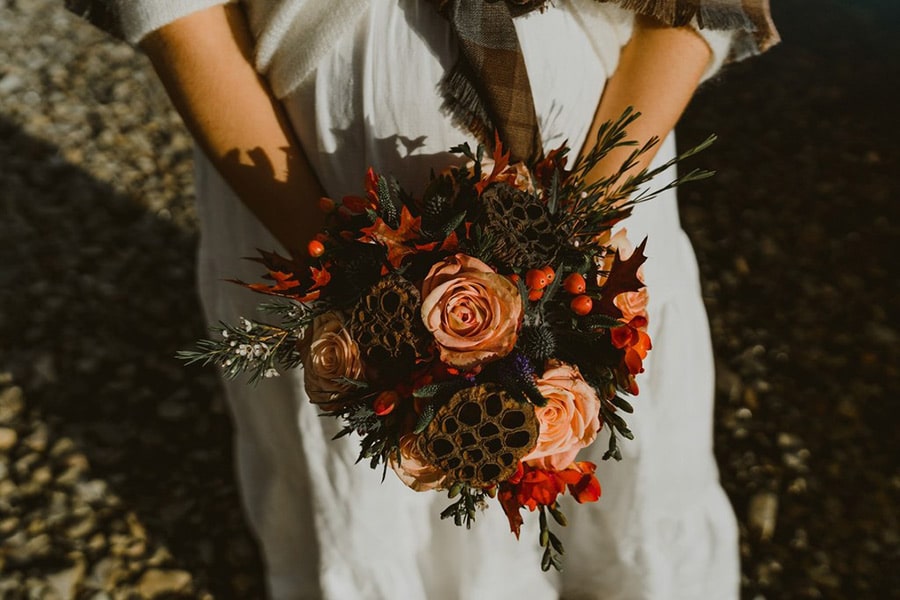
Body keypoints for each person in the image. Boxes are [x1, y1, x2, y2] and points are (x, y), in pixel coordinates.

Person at [68, 1, 778, 598]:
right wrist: (346, 271)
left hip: (603, 154)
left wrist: (578, 228)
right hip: (301, 174)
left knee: (616, 450)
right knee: (370, 462)